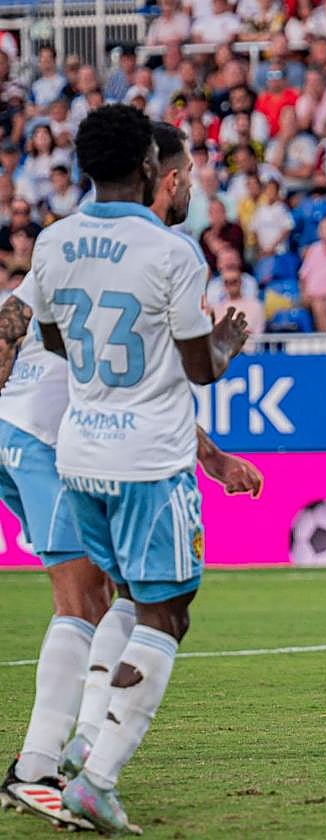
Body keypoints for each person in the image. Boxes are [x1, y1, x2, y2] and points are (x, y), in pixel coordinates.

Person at [14, 105, 249, 834]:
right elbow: (198, 368)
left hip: (80, 449)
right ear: (154, 169)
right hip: (148, 458)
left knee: (114, 596)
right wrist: (228, 342)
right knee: (167, 612)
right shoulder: (174, 254)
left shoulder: (53, 241)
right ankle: (99, 774)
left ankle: (79, 739)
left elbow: (50, 338)